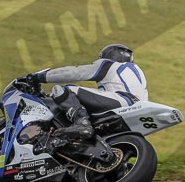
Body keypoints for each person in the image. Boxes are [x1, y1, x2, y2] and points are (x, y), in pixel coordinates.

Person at [20, 43, 148, 142]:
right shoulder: (137, 74)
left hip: (122, 101)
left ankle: (82, 124)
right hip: (138, 109)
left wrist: (38, 77)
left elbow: (73, 73)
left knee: (63, 89)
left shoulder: (109, 65)